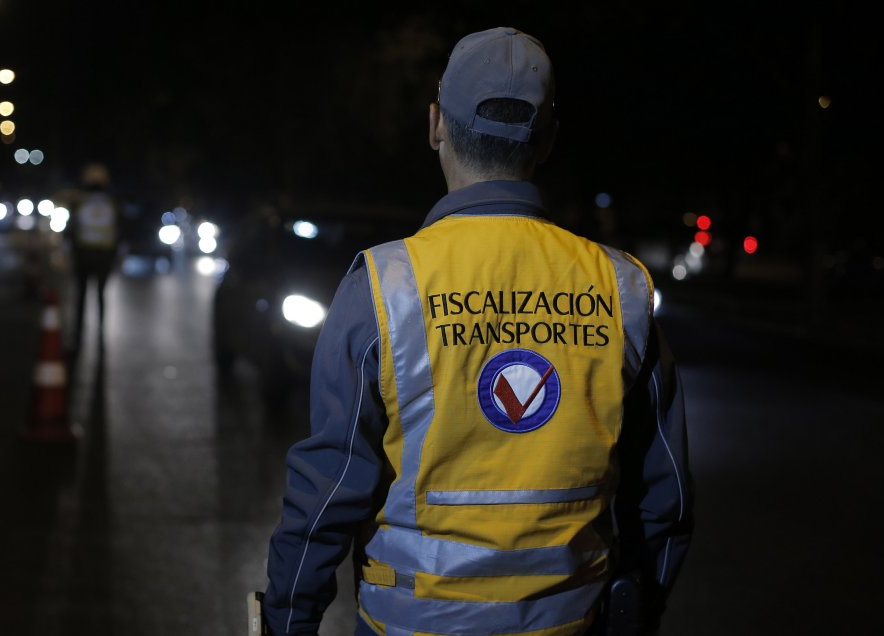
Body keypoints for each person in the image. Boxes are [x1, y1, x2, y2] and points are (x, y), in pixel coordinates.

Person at [262, 27, 693, 635]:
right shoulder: (620, 289)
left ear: (436, 125)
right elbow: (664, 497)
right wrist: (636, 611)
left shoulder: (385, 286)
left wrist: (287, 622)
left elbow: (325, 496)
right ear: (546, 139)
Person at [66, 163, 122, 350]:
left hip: (87, 255)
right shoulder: (111, 201)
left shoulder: (80, 201)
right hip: (100, 256)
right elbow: (118, 230)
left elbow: (72, 230)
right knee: (97, 296)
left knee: (84, 296)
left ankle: (81, 335)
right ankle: (97, 335)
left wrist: (70, 252)